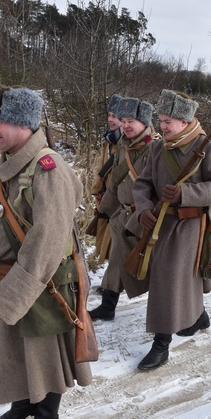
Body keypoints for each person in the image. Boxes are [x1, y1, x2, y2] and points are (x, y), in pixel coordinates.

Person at [0, 84, 92, 419]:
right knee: (12, 345)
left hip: (42, 280)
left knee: (43, 348)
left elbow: (48, 239)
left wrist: (16, 291)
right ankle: (23, 402)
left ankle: (48, 417)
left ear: (24, 123)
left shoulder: (48, 169)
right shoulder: (11, 163)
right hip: (8, 271)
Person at [132, 90, 211, 370]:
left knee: (168, 280)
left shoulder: (209, 149)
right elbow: (142, 184)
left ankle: (161, 344)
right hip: (159, 224)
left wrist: (185, 194)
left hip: (190, 225)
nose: (162, 127)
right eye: (161, 121)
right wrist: (142, 209)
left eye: (168, 122)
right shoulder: (157, 148)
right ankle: (198, 316)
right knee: (179, 278)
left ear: (185, 122)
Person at [88, 96, 158, 320]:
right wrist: (104, 211)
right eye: (123, 120)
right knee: (117, 260)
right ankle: (108, 306)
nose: (125, 125)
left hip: (147, 218)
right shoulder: (124, 147)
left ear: (145, 123)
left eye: (132, 121)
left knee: (159, 267)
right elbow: (115, 182)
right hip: (123, 215)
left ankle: (193, 313)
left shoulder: (157, 149)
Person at [89, 94, 123, 262]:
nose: (110, 120)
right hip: (106, 194)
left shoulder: (128, 142)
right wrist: (97, 188)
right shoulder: (110, 138)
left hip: (119, 198)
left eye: (115, 116)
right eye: (109, 115)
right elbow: (102, 167)